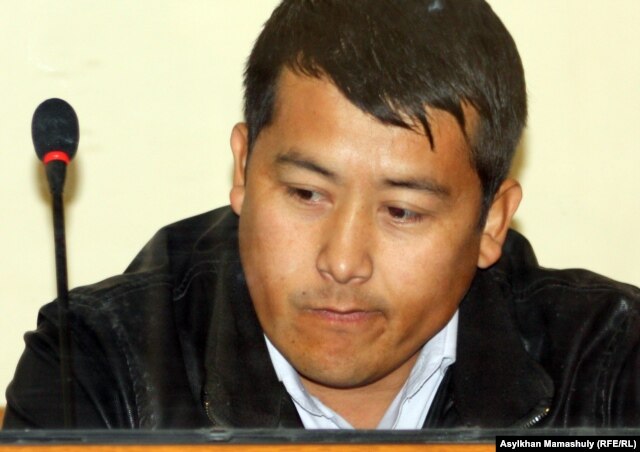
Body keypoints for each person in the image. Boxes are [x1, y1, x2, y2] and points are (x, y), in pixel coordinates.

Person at [4, 0, 639, 430]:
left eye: (402, 210)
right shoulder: (99, 368)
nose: (342, 261)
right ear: (243, 170)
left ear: (492, 222)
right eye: (307, 195)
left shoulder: (609, 370)